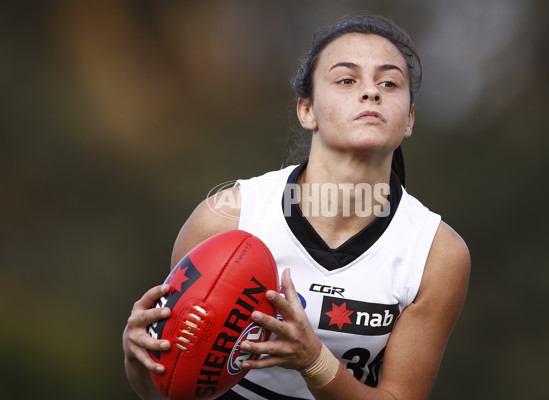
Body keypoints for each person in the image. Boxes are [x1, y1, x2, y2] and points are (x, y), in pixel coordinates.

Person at [123, 13, 470, 400]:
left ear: (408, 119)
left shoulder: (436, 254)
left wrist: (314, 362)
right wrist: (138, 357)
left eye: (389, 83)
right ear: (306, 110)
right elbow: (167, 389)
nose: (371, 92)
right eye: (346, 80)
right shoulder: (227, 218)